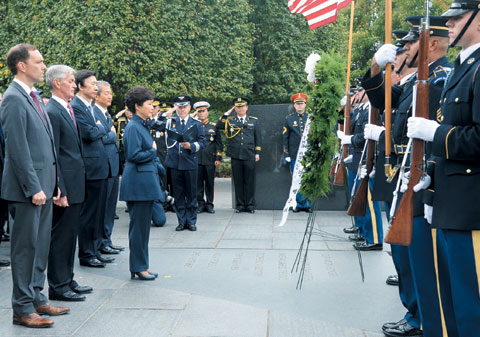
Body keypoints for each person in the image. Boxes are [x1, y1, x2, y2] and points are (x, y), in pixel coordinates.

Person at [363, 16, 452, 337]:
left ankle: (425, 319)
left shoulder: (443, 78)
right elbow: (381, 98)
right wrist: (375, 66)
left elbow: (435, 134)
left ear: (432, 43)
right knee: (405, 256)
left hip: (422, 180)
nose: (404, 49)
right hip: (402, 177)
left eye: (410, 43)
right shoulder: (413, 83)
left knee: (424, 262)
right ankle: (415, 312)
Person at [407, 1, 480, 335]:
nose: (449, 23)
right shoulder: (464, 68)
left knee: (472, 305)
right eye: (449, 18)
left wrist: (434, 133)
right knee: (455, 303)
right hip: (451, 203)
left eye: (458, 17)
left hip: (471, 208)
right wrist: (429, 178)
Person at [1, 43, 69, 328]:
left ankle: (37, 298)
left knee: (40, 246)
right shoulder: (13, 98)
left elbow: (45, 145)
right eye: (39, 62)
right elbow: (16, 149)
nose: (44, 66)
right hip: (28, 191)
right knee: (25, 249)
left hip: (43, 186)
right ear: (22, 65)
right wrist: (33, 187)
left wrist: (54, 184)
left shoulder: (33, 96)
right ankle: (22, 308)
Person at [45, 65, 93, 302]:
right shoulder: (53, 111)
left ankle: (67, 278)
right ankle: (58, 285)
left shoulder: (65, 108)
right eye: (72, 81)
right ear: (57, 83)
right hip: (65, 186)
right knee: (61, 237)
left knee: (70, 235)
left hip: (75, 183)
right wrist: (58, 187)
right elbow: (53, 153)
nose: (75, 85)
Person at [119, 86, 163, 281]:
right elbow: (133, 155)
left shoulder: (141, 125)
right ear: (137, 106)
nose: (152, 108)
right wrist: (153, 151)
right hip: (138, 184)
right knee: (139, 229)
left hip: (143, 182)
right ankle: (138, 266)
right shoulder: (134, 127)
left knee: (143, 228)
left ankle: (141, 265)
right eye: (149, 104)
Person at [71, 70, 113, 268]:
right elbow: (89, 133)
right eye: (93, 83)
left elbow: (98, 129)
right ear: (81, 86)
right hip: (91, 168)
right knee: (89, 214)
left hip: (99, 167)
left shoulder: (89, 106)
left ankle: (95, 250)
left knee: (98, 213)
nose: (96, 87)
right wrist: (101, 128)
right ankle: (87, 254)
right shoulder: (77, 106)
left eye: (97, 84)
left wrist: (99, 127)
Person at [158, 95, 205, 231]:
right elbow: (155, 125)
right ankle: (181, 220)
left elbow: (202, 142)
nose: (182, 109)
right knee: (178, 194)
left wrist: (191, 146)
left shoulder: (196, 123)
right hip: (175, 163)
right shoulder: (169, 122)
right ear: (175, 107)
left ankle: (191, 221)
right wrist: (166, 114)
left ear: (189, 107)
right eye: (179, 107)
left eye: (185, 107)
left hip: (190, 162)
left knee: (191, 194)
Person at [94, 81, 124, 254]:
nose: (110, 95)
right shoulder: (93, 112)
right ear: (96, 95)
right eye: (106, 93)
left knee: (110, 207)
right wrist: (112, 135)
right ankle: (100, 242)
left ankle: (107, 239)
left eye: (110, 92)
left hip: (112, 166)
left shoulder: (106, 114)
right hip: (103, 166)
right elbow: (97, 138)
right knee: (102, 208)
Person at [217, 97, 262, 213]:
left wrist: (257, 153)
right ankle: (240, 205)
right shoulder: (230, 121)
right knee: (238, 181)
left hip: (249, 155)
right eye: (238, 107)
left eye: (242, 106)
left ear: (246, 108)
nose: (240, 109)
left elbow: (258, 138)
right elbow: (218, 126)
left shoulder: (253, 121)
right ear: (235, 108)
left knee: (250, 181)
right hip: (236, 155)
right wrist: (226, 114)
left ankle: (250, 205)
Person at [283, 93, 311, 213]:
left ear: (305, 104)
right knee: (297, 179)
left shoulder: (311, 118)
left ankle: (307, 203)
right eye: (297, 103)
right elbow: (285, 138)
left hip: (308, 154)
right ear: (294, 105)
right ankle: (298, 204)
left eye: (301, 103)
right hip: (295, 154)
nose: (299, 106)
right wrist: (287, 154)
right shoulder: (288, 119)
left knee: (307, 179)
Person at [194, 101, 223, 214]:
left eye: (203, 111)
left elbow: (218, 144)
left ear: (207, 112)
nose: (201, 114)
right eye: (199, 111)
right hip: (197, 159)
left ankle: (210, 204)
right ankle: (200, 204)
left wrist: (218, 158)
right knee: (198, 183)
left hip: (210, 159)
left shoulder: (213, 127)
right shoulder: (194, 126)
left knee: (210, 183)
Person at [113, 106, 132, 175]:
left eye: (132, 110)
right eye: (128, 110)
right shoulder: (121, 122)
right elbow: (110, 125)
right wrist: (117, 116)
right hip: (123, 154)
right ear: (125, 112)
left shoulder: (139, 122)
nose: (130, 113)